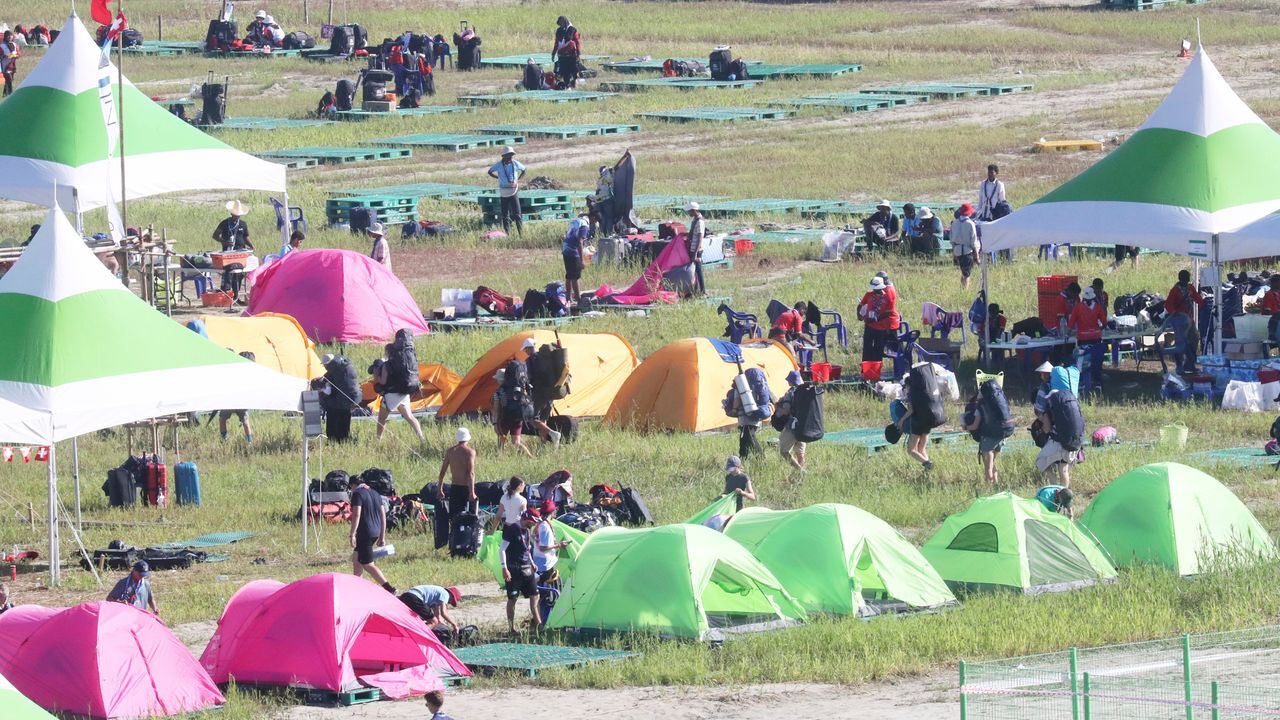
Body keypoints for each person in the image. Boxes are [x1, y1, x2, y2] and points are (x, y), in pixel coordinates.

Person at [350, 476, 396, 594]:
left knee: (367, 563)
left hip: (365, 532)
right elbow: (382, 515)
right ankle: (356, 585)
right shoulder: (375, 493)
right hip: (376, 531)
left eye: (351, 488)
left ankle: (389, 588)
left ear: (353, 485)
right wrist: (382, 536)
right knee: (357, 556)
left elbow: (356, 514)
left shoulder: (357, 494)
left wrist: (352, 534)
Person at [1035, 383, 1084, 490]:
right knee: (1063, 469)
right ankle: (1064, 496)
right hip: (1074, 442)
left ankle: (1055, 489)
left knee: (1040, 463)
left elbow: (1047, 429)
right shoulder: (1070, 408)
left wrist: (1042, 427)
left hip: (1058, 443)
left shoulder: (1050, 411)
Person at [435, 428, 478, 549]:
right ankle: (469, 542)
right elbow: (470, 473)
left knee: (454, 517)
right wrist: (472, 492)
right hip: (466, 488)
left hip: (454, 487)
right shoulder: (470, 452)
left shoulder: (450, 451)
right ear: (467, 438)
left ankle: (454, 543)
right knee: (470, 517)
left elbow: (442, 472)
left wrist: (440, 488)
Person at [500, 509, 542, 634]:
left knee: (535, 595)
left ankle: (539, 625)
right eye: (533, 521)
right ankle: (511, 628)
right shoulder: (512, 529)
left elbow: (527, 549)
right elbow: (502, 549)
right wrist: (504, 568)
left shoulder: (528, 531)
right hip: (514, 569)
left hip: (527, 568)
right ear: (526, 518)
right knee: (513, 599)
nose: (534, 524)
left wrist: (532, 562)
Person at [522, 339, 562, 446]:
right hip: (551, 392)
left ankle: (553, 434)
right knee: (543, 419)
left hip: (539, 393)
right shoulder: (546, 358)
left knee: (532, 419)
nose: (525, 352)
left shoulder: (530, 361)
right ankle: (542, 444)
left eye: (525, 349)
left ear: (529, 348)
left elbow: (527, 378)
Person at [1165, 269, 1204, 373]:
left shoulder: (1190, 288)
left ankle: (1190, 364)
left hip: (1190, 320)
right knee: (1180, 343)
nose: (1186, 280)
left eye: (1187, 278)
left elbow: (1197, 298)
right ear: (1180, 278)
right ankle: (1179, 365)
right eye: (1185, 278)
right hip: (1179, 321)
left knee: (1194, 339)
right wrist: (1175, 313)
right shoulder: (1175, 290)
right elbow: (1168, 304)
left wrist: (1204, 304)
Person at [1069, 286, 1107, 393]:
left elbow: (1071, 323)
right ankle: (1097, 382)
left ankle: (1082, 383)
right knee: (1097, 360)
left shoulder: (1078, 307)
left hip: (1083, 339)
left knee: (1082, 360)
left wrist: (1067, 333)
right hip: (1096, 338)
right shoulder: (1098, 307)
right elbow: (1104, 322)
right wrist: (1099, 328)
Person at [857, 275, 900, 363]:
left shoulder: (887, 297)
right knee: (867, 347)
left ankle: (876, 370)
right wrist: (859, 315)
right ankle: (865, 369)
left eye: (876, 288)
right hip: (869, 325)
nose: (875, 290)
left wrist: (876, 319)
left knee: (878, 349)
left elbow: (888, 312)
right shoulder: (869, 295)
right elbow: (860, 305)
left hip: (880, 327)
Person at [491, 369, 533, 457]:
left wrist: (495, 423)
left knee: (501, 441)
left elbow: (495, 409)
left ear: (499, 380)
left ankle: (499, 458)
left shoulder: (498, 392)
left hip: (505, 418)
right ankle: (530, 456)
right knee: (516, 442)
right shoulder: (517, 389)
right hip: (518, 418)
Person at [317, 353, 358, 442]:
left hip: (334, 405)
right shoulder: (345, 368)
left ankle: (333, 443)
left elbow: (328, 392)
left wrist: (321, 391)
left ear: (326, 364)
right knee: (344, 427)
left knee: (332, 428)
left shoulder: (330, 374)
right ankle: (344, 442)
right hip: (348, 402)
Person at [488, 147, 526, 237]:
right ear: (504, 156)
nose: (510, 158)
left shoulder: (515, 164)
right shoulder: (498, 165)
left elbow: (524, 170)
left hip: (513, 192)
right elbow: (489, 171)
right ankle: (507, 235)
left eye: (511, 156)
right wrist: (498, 178)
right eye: (509, 156)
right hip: (504, 193)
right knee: (505, 216)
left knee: (517, 214)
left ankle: (521, 235)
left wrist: (517, 180)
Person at [219, 351, 256, 442]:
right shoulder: (249, 374)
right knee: (245, 422)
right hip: (241, 401)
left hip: (230, 401)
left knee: (222, 419)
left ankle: (224, 440)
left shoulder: (232, 371)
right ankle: (249, 441)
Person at [774, 371, 806, 471]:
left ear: (790, 382)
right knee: (800, 453)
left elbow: (786, 411)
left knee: (784, 451)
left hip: (792, 425)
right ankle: (800, 476)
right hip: (804, 425)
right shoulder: (806, 392)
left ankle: (799, 470)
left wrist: (777, 407)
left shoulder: (791, 393)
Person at [532, 500, 568, 578]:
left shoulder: (541, 523)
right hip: (544, 563)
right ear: (552, 512)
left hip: (540, 560)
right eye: (555, 509)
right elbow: (542, 548)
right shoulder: (545, 527)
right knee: (545, 586)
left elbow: (534, 537)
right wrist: (559, 545)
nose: (556, 511)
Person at [950, 203, 980, 289]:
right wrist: (977, 255)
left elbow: (951, 240)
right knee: (967, 274)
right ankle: (965, 290)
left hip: (957, 250)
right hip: (967, 251)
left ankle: (961, 288)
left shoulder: (954, 223)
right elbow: (973, 240)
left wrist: (954, 253)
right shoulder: (970, 224)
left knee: (963, 271)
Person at [562, 212, 588, 302]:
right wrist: (581, 260)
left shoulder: (576, 222)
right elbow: (580, 242)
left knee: (569, 275)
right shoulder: (584, 225)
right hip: (573, 250)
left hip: (565, 249)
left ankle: (568, 298)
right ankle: (578, 299)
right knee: (575, 276)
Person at [550, 15, 581, 89]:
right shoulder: (559, 31)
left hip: (571, 55)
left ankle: (574, 83)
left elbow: (577, 42)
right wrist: (553, 53)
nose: (560, 25)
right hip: (562, 55)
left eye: (561, 23)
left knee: (573, 70)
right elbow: (557, 43)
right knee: (564, 72)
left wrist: (578, 53)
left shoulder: (572, 30)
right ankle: (567, 86)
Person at [685, 201, 706, 297]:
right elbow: (692, 233)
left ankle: (703, 291)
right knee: (693, 270)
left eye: (689, 211)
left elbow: (700, 237)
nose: (688, 213)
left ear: (694, 211)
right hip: (692, 248)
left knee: (698, 270)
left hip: (697, 249)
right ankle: (695, 289)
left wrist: (695, 253)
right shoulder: (695, 220)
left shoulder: (700, 221)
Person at [499, 476, 528, 540]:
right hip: (517, 529)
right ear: (519, 486)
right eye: (523, 484)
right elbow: (524, 518)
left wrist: (492, 530)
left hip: (507, 528)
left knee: (506, 549)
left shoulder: (504, 497)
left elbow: (498, 516)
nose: (524, 486)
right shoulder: (522, 500)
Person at [1260, 275, 1280, 342]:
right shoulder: (1269, 294)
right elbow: (1267, 312)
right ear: (1274, 283)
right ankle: (1274, 351)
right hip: (1274, 323)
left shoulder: (1278, 293)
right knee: (1274, 342)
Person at [0, 30, 18, 97]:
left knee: (9, 80)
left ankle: (5, 94)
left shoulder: (14, 45)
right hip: (5, 65)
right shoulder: (1, 45)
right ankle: (11, 95)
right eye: (8, 35)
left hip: (12, 65)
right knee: (9, 79)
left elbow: (18, 53)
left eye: (10, 35)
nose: (9, 37)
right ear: (5, 36)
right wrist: (5, 56)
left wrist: (16, 55)